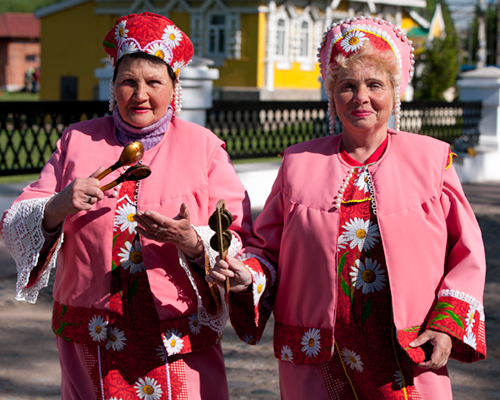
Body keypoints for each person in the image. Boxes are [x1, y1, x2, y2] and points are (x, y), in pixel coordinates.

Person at [208, 16, 487, 399]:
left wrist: (445, 326)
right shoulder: (298, 164)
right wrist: (247, 277)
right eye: (347, 87)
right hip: (319, 354)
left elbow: (467, 255)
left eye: (375, 85)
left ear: (394, 92)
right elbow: (266, 251)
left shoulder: (432, 160)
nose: (361, 97)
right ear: (331, 96)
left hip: (404, 350)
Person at [1, 12, 252, 400]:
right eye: (128, 82)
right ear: (113, 87)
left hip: (176, 333)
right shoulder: (77, 141)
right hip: (93, 330)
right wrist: (59, 205)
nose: (140, 94)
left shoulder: (204, 147)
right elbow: (18, 220)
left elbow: (237, 235)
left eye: (154, 82)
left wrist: (192, 240)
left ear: (174, 88)